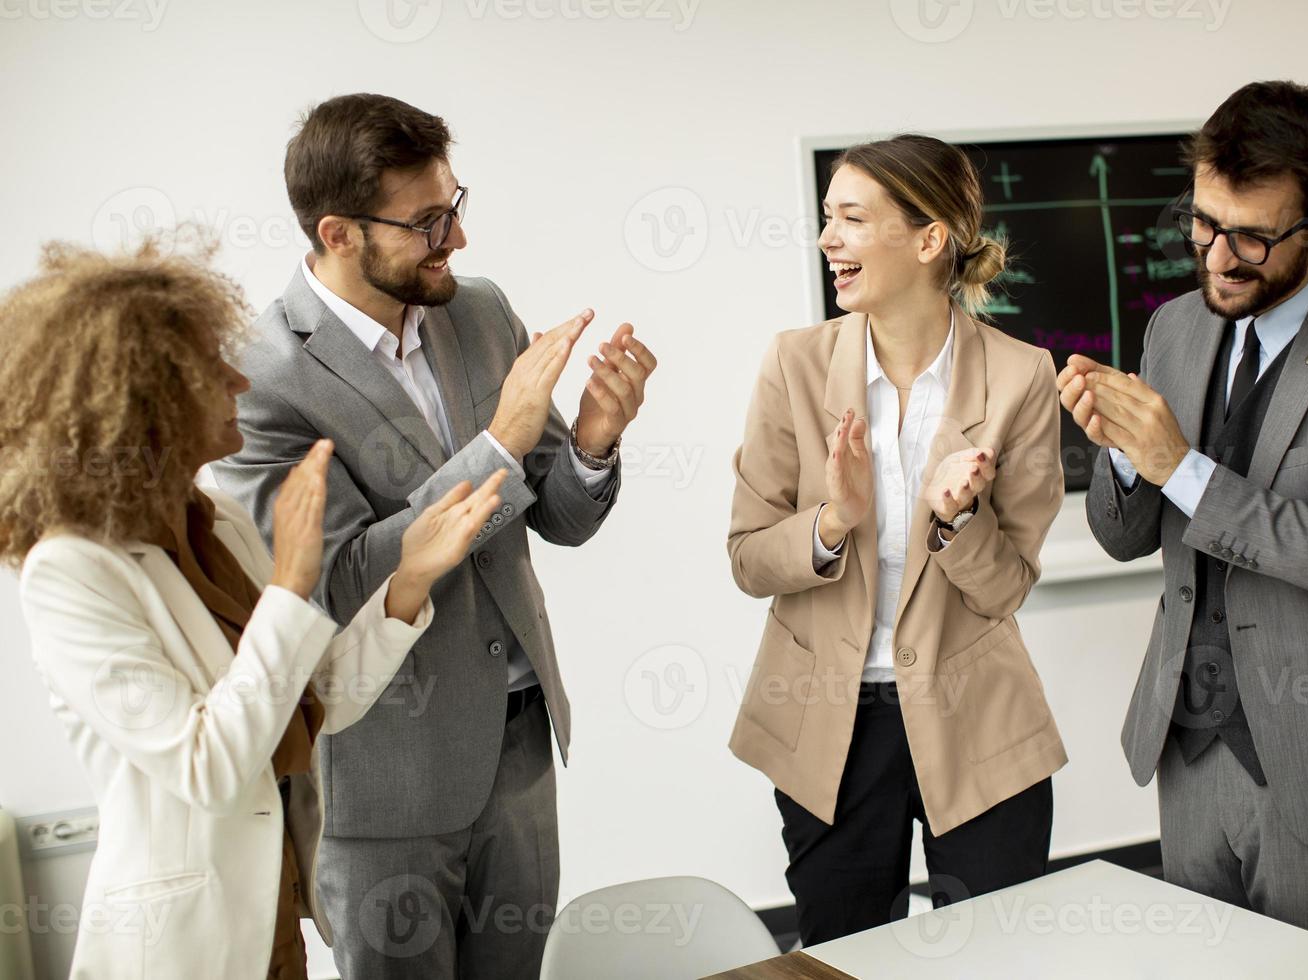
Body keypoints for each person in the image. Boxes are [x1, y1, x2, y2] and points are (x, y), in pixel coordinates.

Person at [209, 93, 655, 978]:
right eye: (427, 222)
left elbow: (559, 518)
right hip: (384, 774)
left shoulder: (481, 312)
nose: (456, 239)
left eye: (456, 205)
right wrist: (501, 443)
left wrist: (596, 440)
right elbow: (335, 582)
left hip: (521, 744)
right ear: (339, 233)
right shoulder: (261, 376)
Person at [4, 236, 507, 979]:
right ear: (146, 406)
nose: (238, 379)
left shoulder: (213, 519)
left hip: (276, 919)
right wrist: (289, 587)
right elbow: (208, 766)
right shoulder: (70, 572)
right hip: (184, 947)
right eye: (210, 369)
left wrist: (409, 580)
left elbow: (308, 703)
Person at [1063, 80, 1308, 947]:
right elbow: (1124, 536)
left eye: (1251, 235)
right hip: (1188, 747)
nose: (1216, 256)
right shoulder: (1172, 328)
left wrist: (1183, 466)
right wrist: (1128, 465)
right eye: (1204, 223)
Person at [727, 134, 1066, 945]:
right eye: (825, 218)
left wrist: (956, 523)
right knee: (845, 958)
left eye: (850, 218)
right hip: (830, 730)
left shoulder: (1022, 376)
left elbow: (1007, 585)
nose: (827, 239)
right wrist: (832, 522)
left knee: (998, 957)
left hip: (979, 725)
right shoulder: (794, 365)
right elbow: (748, 557)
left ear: (927, 239)